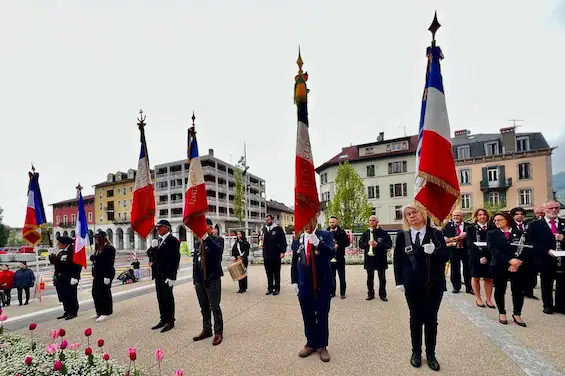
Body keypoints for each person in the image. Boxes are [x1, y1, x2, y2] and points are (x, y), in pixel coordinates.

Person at [394, 204, 449, 371]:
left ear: (423, 213)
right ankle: (416, 353)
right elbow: (398, 260)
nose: (412, 216)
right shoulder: (403, 236)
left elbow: (446, 257)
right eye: (408, 214)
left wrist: (435, 252)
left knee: (431, 320)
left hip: (434, 284)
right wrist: (399, 281)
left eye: (415, 212)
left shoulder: (436, 234)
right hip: (411, 284)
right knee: (415, 319)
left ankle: (431, 354)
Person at [291, 218, 335, 362]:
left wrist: (317, 243)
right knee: (307, 314)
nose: (306, 223)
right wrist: (295, 281)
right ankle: (311, 343)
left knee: (322, 314)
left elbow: (331, 253)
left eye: (309, 220)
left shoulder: (326, 235)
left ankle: (322, 345)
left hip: (322, 283)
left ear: (315, 221)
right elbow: (294, 261)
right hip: (304, 284)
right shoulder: (298, 238)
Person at [487, 212, 527, 327]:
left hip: (517, 266)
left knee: (518, 290)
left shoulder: (520, 233)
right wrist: (510, 260)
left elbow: (525, 248)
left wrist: (517, 262)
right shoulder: (492, 233)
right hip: (499, 265)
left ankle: (517, 314)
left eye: (500, 220)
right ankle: (502, 312)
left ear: (508, 220)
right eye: (495, 220)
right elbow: (493, 249)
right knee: (500, 289)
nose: (497, 222)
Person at [526, 200, 565, 314]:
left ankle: (561, 305)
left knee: (562, 283)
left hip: (563, 259)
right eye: (551, 208)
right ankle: (547, 305)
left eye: (556, 208)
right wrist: (547, 250)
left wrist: (563, 238)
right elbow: (531, 242)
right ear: (544, 210)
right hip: (545, 259)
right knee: (546, 283)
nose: (554, 210)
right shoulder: (535, 225)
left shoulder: (563, 222)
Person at [193, 218, 225, 346]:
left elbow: (217, 253)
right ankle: (207, 329)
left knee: (214, 306)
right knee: (204, 307)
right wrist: (195, 279)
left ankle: (218, 332)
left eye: (202, 225)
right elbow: (196, 262)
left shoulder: (217, 240)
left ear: (210, 228)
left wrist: (206, 237)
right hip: (200, 280)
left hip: (212, 278)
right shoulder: (197, 242)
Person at [148, 220, 181, 333]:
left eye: (160, 227)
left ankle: (170, 321)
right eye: (157, 228)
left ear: (166, 228)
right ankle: (163, 319)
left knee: (167, 298)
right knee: (160, 297)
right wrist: (153, 248)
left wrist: (173, 276)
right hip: (158, 274)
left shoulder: (173, 241)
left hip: (167, 275)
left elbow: (175, 259)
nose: (158, 229)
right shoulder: (158, 240)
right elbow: (150, 254)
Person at [466, 208, 496, 309]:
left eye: (484, 214)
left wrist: (488, 256)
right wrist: (479, 257)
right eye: (479, 215)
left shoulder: (492, 227)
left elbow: (494, 243)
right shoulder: (470, 228)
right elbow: (470, 243)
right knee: (476, 277)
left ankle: (488, 299)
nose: (482, 216)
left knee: (489, 278)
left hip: (489, 256)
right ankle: (478, 298)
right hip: (475, 256)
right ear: (476, 216)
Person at [359, 215, 392, 301]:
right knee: (370, 278)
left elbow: (389, 245)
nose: (372, 222)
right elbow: (361, 245)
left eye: (373, 220)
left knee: (382, 278)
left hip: (380, 259)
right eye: (370, 220)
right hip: (369, 259)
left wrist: (378, 245)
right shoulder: (365, 233)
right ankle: (370, 294)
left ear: (377, 222)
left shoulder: (384, 233)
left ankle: (382, 294)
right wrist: (367, 243)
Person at [511, 207, 538, 300]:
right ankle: (516, 292)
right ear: (513, 216)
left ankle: (528, 292)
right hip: (516, 253)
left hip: (528, 252)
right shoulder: (510, 225)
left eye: (521, 214)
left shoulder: (529, 224)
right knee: (516, 274)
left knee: (530, 273)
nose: (520, 216)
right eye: (517, 214)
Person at [52, 236, 82, 320]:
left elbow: (77, 264)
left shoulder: (72, 251)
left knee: (71, 296)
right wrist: (52, 256)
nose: (58, 244)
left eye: (59, 243)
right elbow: (57, 264)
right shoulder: (61, 252)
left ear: (64, 244)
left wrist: (76, 277)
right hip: (61, 278)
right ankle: (67, 311)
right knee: (63, 296)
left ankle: (73, 312)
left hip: (70, 277)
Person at [443, 210, 472, 294]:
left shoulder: (468, 226)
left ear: (462, 216)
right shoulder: (447, 226)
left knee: (467, 269)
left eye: (458, 215)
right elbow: (444, 236)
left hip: (465, 250)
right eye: (454, 216)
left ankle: (469, 287)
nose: (456, 217)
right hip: (453, 250)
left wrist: (466, 234)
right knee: (455, 269)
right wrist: (445, 238)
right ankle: (456, 287)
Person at [90, 230, 116, 322]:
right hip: (97, 274)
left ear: (103, 238)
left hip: (105, 273)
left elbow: (109, 263)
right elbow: (97, 260)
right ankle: (99, 311)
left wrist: (107, 276)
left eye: (98, 237)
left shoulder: (109, 248)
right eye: (95, 237)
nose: (96, 239)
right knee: (95, 293)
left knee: (104, 293)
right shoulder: (98, 247)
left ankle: (106, 312)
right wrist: (93, 257)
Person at [261, 215, 287, 295]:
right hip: (266, 254)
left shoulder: (278, 229)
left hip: (275, 254)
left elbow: (283, 241)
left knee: (276, 272)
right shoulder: (264, 229)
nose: (267, 221)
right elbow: (262, 239)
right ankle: (270, 288)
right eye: (266, 220)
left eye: (268, 220)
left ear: (272, 219)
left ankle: (277, 288)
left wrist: (282, 252)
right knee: (268, 272)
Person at [327, 216, 350, 299]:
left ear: (336, 222)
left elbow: (347, 243)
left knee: (342, 276)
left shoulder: (342, 232)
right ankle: (332, 292)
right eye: (330, 222)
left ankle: (342, 293)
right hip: (330, 258)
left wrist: (339, 245)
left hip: (340, 257)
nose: (331, 224)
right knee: (331, 276)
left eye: (333, 222)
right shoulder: (326, 232)